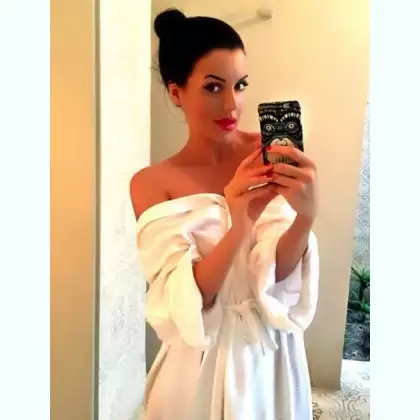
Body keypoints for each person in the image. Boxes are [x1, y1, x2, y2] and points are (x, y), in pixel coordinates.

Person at [130, 8, 320, 420]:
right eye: (213, 87)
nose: (232, 104)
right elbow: (189, 299)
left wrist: (305, 218)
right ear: (176, 92)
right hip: (200, 361)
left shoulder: (269, 155)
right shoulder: (152, 183)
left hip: (272, 353)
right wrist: (239, 223)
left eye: (240, 85)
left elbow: (279, 276)